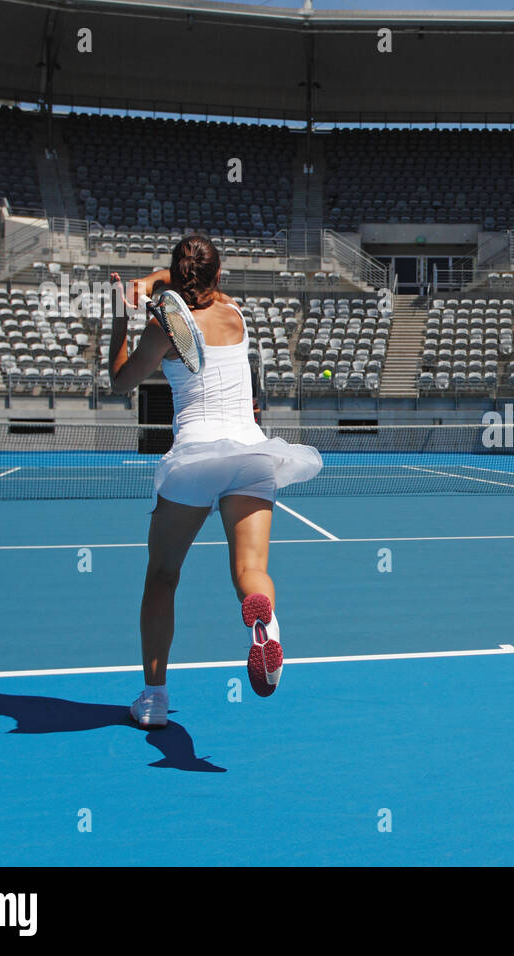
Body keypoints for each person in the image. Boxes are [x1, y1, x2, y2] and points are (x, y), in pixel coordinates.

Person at [108, 235, 321, 727]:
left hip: (196, 459)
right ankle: (263, 623)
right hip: (252, 453)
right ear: (219, 276)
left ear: (173, 276)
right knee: (250, 571)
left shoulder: (164, 328)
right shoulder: (234, 312)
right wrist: (157, 283)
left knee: (162, 576)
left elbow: (120, 381)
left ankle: (155, 700)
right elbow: (184, 283)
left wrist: (120, 320)